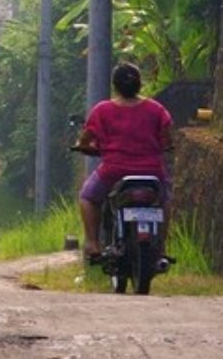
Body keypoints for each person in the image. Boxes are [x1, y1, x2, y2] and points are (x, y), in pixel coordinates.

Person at [74, 63, 173, 264]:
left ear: (115, 86)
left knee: (88, 197)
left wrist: (85, 146)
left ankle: (93, 243)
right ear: (139, 84)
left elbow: (85, 140)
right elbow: (167, 141)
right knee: (164, 201)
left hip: (113, 171)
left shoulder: (102, 110)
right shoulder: (156, 109)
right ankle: (161, 247)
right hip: (152, 172)